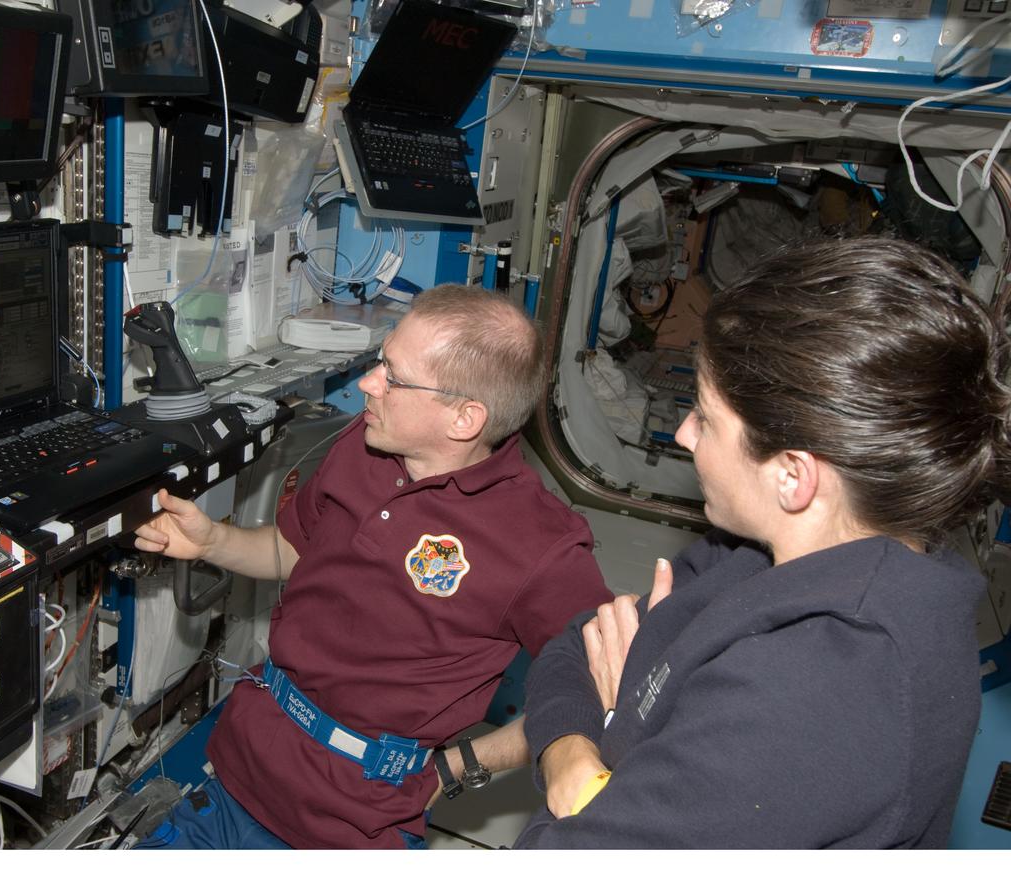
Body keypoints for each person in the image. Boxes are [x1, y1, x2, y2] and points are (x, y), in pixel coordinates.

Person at [516, 237, 1009, 848]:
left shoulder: (823, 699)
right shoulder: (759, 553)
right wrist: (576, 764)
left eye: (706, 416)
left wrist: (614, 729)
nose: (684, 433)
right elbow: (576, 649)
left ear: (793, 475)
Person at [133, 284, 612, 848]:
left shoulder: (541, 545)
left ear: (464, 418)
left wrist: (460, 765)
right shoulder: (361, 446)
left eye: (393, 375)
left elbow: (601, 688)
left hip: (354, 825)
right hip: (240, 771)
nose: (368, 384)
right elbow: (292, 553)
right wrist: (211, 540)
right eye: (378, 361)